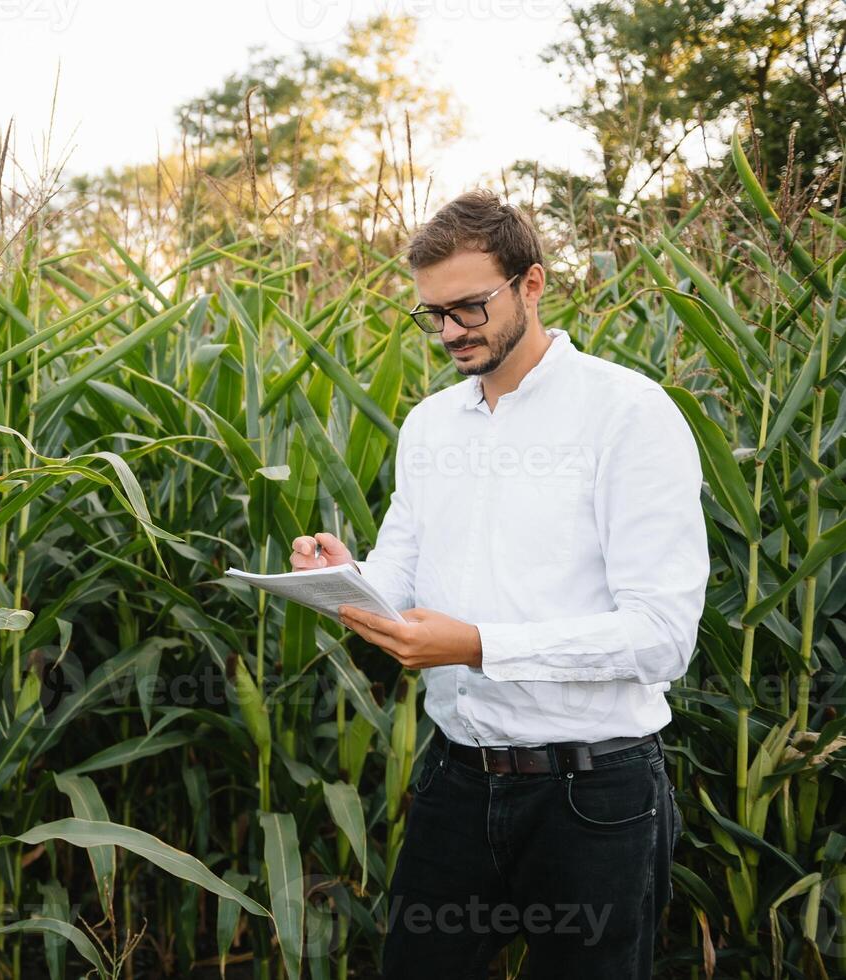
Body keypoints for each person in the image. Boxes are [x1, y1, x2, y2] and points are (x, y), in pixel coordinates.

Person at [289, 190, 708, 979]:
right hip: (458, 777)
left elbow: (662, 635)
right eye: (432, 315)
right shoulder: (429, 426)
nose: (448, 332)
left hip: (594, 794)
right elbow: (400, 576)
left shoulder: (627, 415)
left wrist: (477, 647)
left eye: (469, 308)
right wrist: (342, 578)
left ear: (532, 284)